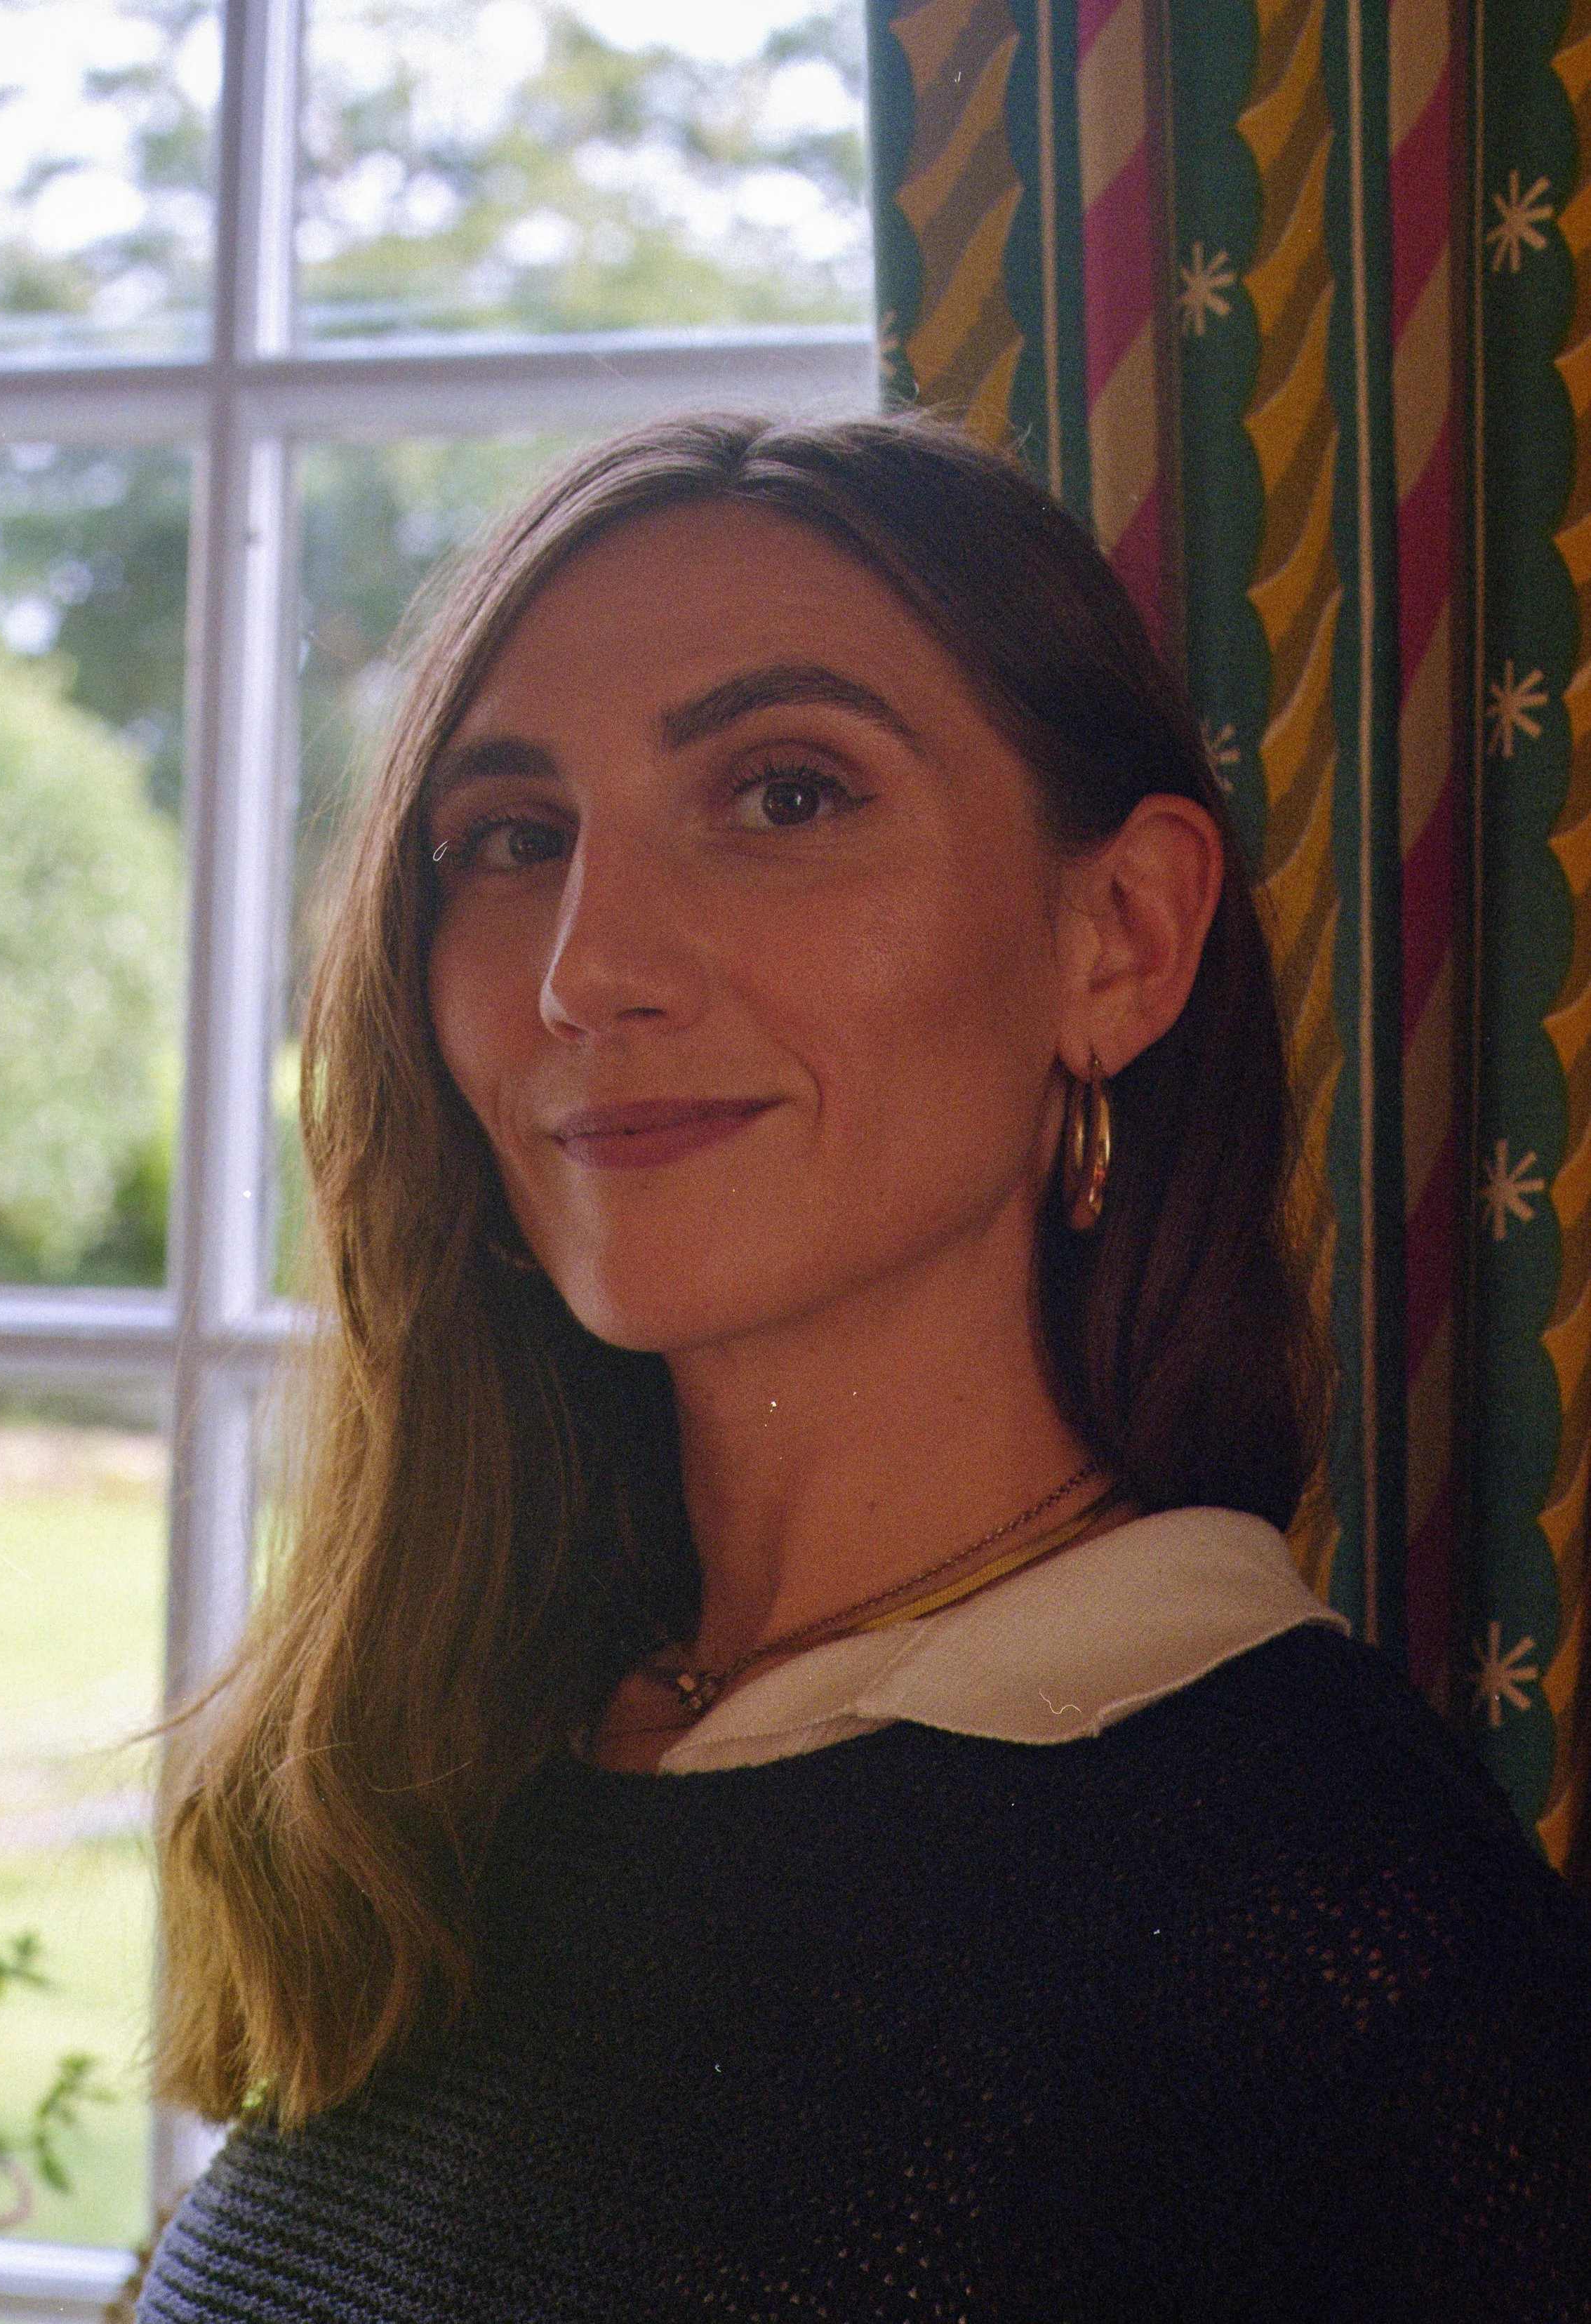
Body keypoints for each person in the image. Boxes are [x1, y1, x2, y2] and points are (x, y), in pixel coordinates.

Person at [140, 414, 1591, 2323]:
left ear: (1120, 939)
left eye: (786, 796)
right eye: (512, 837)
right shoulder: (461, 1760)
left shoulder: (1331, 1928)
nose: (589, 965)